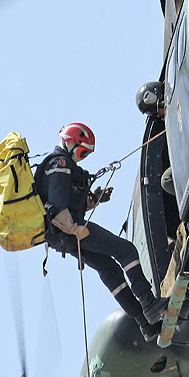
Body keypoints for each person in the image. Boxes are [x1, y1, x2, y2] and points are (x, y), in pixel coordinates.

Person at [37, 123, 168, 342]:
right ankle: (149, 303)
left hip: (62, 239)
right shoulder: (59, 164)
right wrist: (75, 230)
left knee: (108, 269)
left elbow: (65, 200)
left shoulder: (60, 166)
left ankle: (146, 325)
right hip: (69, 232)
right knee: (125, 251)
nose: (83, 156)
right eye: (82, 151)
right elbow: (57, 207)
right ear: (71, 142)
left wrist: (91, 200)